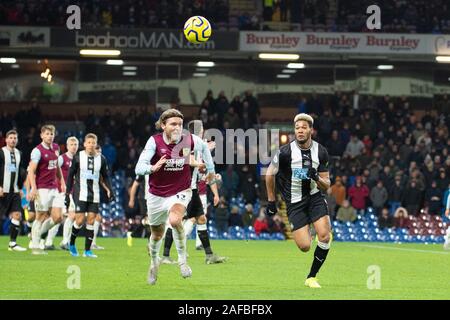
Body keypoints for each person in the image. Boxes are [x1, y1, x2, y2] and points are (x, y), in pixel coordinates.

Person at [135, 109, 215, 285]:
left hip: (181, 191)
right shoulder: (154, 142)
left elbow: (205, 149)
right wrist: (152, 168)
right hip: (156, 195)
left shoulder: (190, 139)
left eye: (180, 124)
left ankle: (182, 261)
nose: (177, 127)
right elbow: (138, 168)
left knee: (175, 219)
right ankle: (154, 263)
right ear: (163, 125)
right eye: (173, 124)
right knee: (156, 235)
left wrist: (211, 171)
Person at [266, 113, 332, 289]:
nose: (300, 131)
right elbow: (269, 174)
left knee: (325, 236)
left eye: (304, 127)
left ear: (311, 130)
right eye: (297, 128)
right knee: (304, 246)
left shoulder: (321, 151)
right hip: (294, 202)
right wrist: (271, 201)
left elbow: (327, 185)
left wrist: (316, 177)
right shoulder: (285, 152)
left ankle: (312, 277)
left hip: (315, 197)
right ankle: (307, 229)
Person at [161, 120, 226, 265]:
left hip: (193, 188)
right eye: (202, 128)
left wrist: (208, 171)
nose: (204, 130)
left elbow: (202, 168)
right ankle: (165, 255)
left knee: (201, 219)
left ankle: (209, 255)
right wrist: (200, 161)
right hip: (182, 189)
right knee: (175, 220)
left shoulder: (198, 144)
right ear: (198, 130)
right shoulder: (185, 142)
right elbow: (186, 159)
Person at [65, 133, 114, 258]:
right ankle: (71, 244)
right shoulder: (77, 157)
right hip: (80, 193)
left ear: (95, 144)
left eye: (93, 143)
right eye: (89, 142)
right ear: (85, 144)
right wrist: (67, 193)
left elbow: (106, 176)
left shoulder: (101, 159)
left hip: (95, 194)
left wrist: (110, 190)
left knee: (91, 221)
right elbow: (70, 176)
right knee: (79, 220)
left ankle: (87, 251)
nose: (91, 145)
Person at [28, 125, 66, 255]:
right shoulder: (37, 151)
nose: (50, 136)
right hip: (42, 188)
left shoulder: (56, 148)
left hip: (54, 188)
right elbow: (31, 171)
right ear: (42, 135)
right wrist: (33, 188)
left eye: (52, 134)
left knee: (58, 218)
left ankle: (36, 235)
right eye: (47, 134)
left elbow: (57, 167)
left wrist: (62, 181)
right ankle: (36, 247)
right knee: (40, 217)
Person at [44, 136, 79, 251]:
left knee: (71, 216)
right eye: (71, 145)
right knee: (57, 218)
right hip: (61, 192)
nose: (74, 147)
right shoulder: (62, 158)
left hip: (72, 192)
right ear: (67, 146)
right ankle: (48, 241)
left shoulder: (78, 159)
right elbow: (53, 171)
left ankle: (64, 241)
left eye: (75, 145)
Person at [0, 130, 27, 251]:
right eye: (10, 138)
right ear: (6, 140)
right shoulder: (1, 152)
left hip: (15, 190)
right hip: (2, 190)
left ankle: (12, 243)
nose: (13, 140)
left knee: (17, 215)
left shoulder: (19, 153)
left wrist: (21, 188)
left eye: (15, 138)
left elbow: (20, 172)